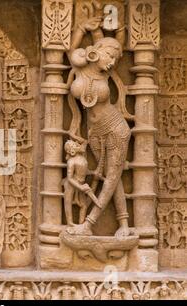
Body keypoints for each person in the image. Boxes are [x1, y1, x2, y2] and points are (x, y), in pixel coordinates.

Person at [67, 16, 131, 237]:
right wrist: (83, 27)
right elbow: (71, 50)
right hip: (94, 131)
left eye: (116, 58)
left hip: (116, 128)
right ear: (96, 52)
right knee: (112, 178)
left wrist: (120, 26)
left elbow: (119, 43)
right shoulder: (81, 66)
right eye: (110, 56)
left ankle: (89, 224)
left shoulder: (105, 74)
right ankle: (123, 225)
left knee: (112, 177)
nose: (113, 62)